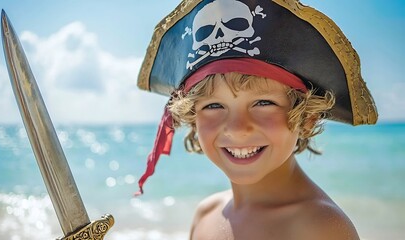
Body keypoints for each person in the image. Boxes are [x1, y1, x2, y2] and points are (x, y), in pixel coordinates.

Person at [135, 0, 378, 239]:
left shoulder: (320, 228)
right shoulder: (205, 215)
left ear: (307, 117)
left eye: (263, 103)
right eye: (214, 105)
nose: (237, 129)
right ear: (191, 118)